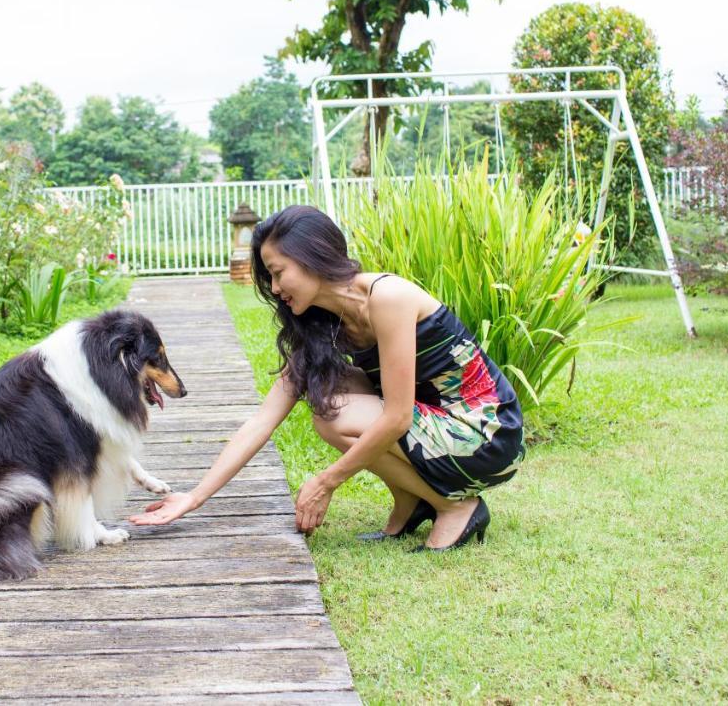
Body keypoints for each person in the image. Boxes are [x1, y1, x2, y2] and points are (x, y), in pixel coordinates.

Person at [128, 204, 525, 552]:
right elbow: (261, 421)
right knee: (329, 391)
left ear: (312, 256)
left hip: (486, 431)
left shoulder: (388, 297)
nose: (276, 288)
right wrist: (193, 498)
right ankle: (412, 500)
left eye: (279, 273)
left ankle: (456, 507)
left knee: (335, 413)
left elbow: (399, 417)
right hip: (438, 426)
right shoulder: (324, 325)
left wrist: (326, 481)